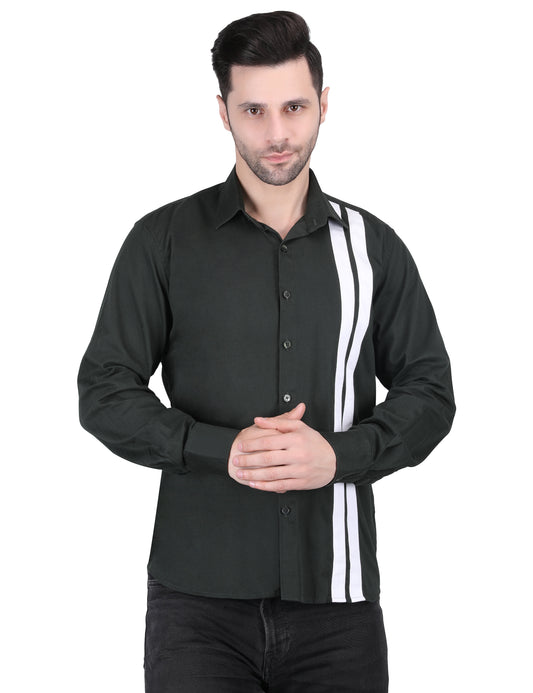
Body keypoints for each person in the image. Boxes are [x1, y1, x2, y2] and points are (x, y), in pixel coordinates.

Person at [78, 10, 455, 693]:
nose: (277, 133)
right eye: (253, 110)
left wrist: (339, 455)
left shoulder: (373, 248)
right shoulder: (162, 241)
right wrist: (215, 448)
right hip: (195, 602)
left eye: (294, 107)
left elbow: (429, 392)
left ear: (323, 104)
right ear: (223, 111)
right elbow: (104, 389)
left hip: (337, 606)